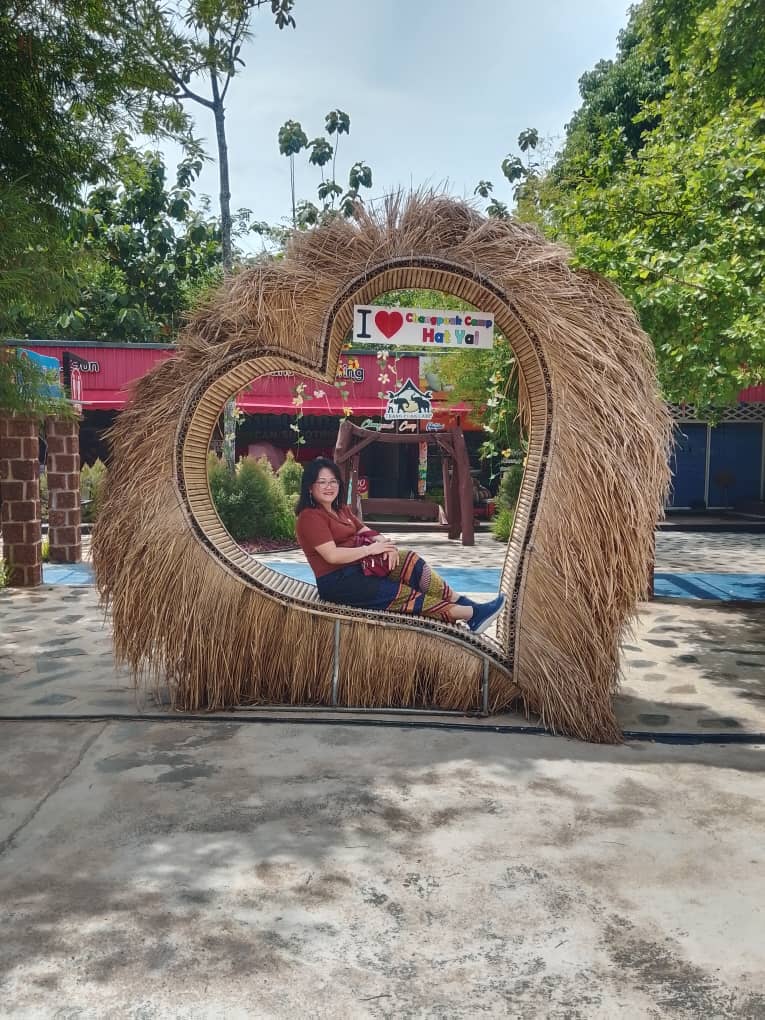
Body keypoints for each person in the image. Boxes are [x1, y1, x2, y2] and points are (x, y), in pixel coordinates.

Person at [295, 458, 505, 633]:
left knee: (409, 560)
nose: (329, 487)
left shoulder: (341, 509)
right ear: (310, 487)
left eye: (333, 481)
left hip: (361, 568)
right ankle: (470, 614)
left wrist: (386, 546)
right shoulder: (310, 517)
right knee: (402, 593)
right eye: (322, 482)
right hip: (339, 583)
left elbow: (364, 530)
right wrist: (370, 550)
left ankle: (468, 604)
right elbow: (332, 556)